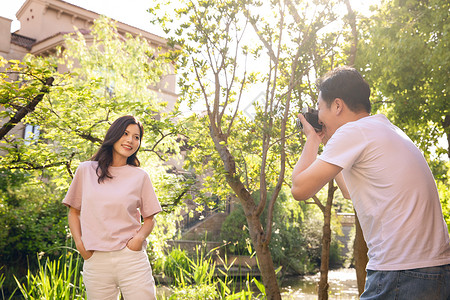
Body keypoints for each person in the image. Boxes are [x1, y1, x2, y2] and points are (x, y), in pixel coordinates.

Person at [291, 66, 450, 299]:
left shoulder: (353, 132)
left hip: (400, 272)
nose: (320, 116)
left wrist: (312, 140)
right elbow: (348, 192)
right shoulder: (385, 128)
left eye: (320, 108)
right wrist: (328, 148)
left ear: (337, 105)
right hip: (435, 271)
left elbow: (299, 189)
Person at [63, 115, 162, 299]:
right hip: (95, 260)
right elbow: (74, 212)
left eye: (136, 137)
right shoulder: (86, 170)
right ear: (114, 134)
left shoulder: (140, 176)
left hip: (131, 259)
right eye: (125, 133)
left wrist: (138, 239)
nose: (130, 140)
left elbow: (149, 218)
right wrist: (80, 245)